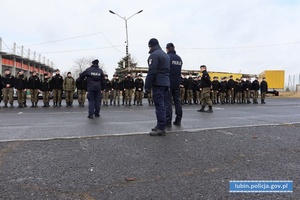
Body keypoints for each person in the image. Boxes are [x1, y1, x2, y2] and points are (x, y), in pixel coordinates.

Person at [145, 38, 170, 136]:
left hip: (158, 83)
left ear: (150, 46)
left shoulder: (154, 55)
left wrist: (147, 86)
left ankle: (161, 128)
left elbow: (152, 71)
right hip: (165, 82)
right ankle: (160, 124)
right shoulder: (165, 55)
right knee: (163, 104)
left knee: (159, 105)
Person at [165, 42, 183, 127]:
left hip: (168, 82)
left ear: (167, 49)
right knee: (177, 101)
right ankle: (178, 120)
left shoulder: (167, 57)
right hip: (177, 82)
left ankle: (168, 121)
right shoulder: (179, 58)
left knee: (168, 102)